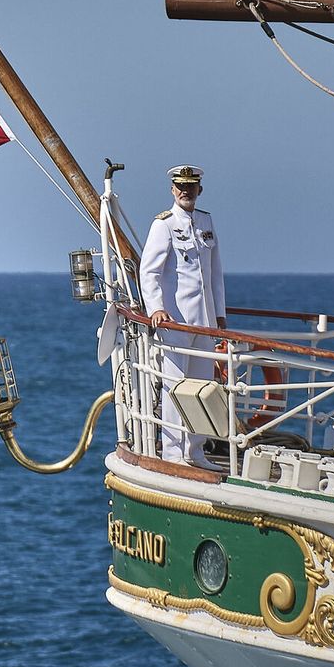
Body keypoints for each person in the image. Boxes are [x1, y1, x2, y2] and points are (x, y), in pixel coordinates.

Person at [139, 165, 226, 466]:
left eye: (191, 186)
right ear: (172, 189)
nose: (186, 191)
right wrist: (155, 309)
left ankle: (196, 451)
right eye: (180, 186)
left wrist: (220, 314)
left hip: (203, 321)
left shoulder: (206, 221)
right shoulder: (163, 225)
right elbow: (148, 271)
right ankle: (175, 452)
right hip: (175, 320)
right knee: (175, 386)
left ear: (199, 189)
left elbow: (214, 273)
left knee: (201, 385)